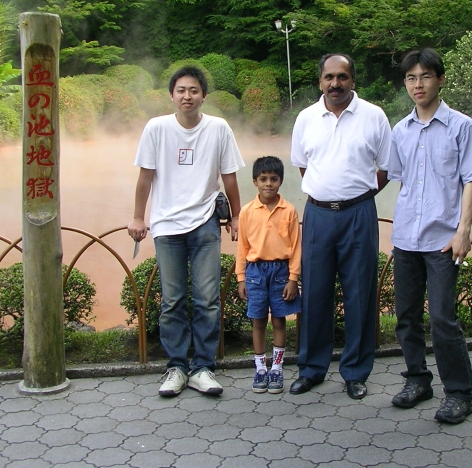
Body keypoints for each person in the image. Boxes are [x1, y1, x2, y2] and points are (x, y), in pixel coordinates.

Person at [388, 47, 472, 423]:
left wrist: (464, 230)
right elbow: (401, 182)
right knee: (406, 317)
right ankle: (417, 380)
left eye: (425, 76)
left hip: (444, 239)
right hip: (406, 238)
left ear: (440, 79)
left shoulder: (461, 126)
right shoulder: (400, 130)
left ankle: (459, 393)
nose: (418, 85)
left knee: (443, 319)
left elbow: (471, 180)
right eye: (411, 78)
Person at [128, 65, 244, 397]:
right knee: (173, 300)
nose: (187, 96)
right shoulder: (157, 128)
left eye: (194, 90)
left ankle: (203, 367)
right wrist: (138, 217)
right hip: (166, 225)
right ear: (171, 95)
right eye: (181, 90)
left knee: (207, 300)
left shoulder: (218, 128)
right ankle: (177, 367)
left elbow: (230, 177)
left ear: (203, 95)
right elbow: (145, 177)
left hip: (205, 222)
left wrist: (237, 216)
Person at [289, 53, 391, 400]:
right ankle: (311, 369)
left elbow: (386, 168)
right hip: (318, 215)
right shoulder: (306, 118)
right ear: (320, 81)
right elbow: (304, 166)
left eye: (342, 77)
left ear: (353, 80)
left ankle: (356, 372)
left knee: (359, 293)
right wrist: (328, 193)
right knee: (314, 292)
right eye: (329, 77)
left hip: (359, 214)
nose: (335, 83)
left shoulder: (374, 116)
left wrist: (356, 196)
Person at [235, 156, 302, 395]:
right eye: (263, 179)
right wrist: (241, 278)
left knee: (279, 319)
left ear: (281, 181)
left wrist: (293, 278)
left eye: (273, 179)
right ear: (255, 181)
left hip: (281, 272)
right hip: (255, 272)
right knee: (258, 320)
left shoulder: (289, 210)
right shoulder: (247, 211)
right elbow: (242, 247)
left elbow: (296, 247)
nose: (268, 184)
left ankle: (277, 368)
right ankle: (260, 368)